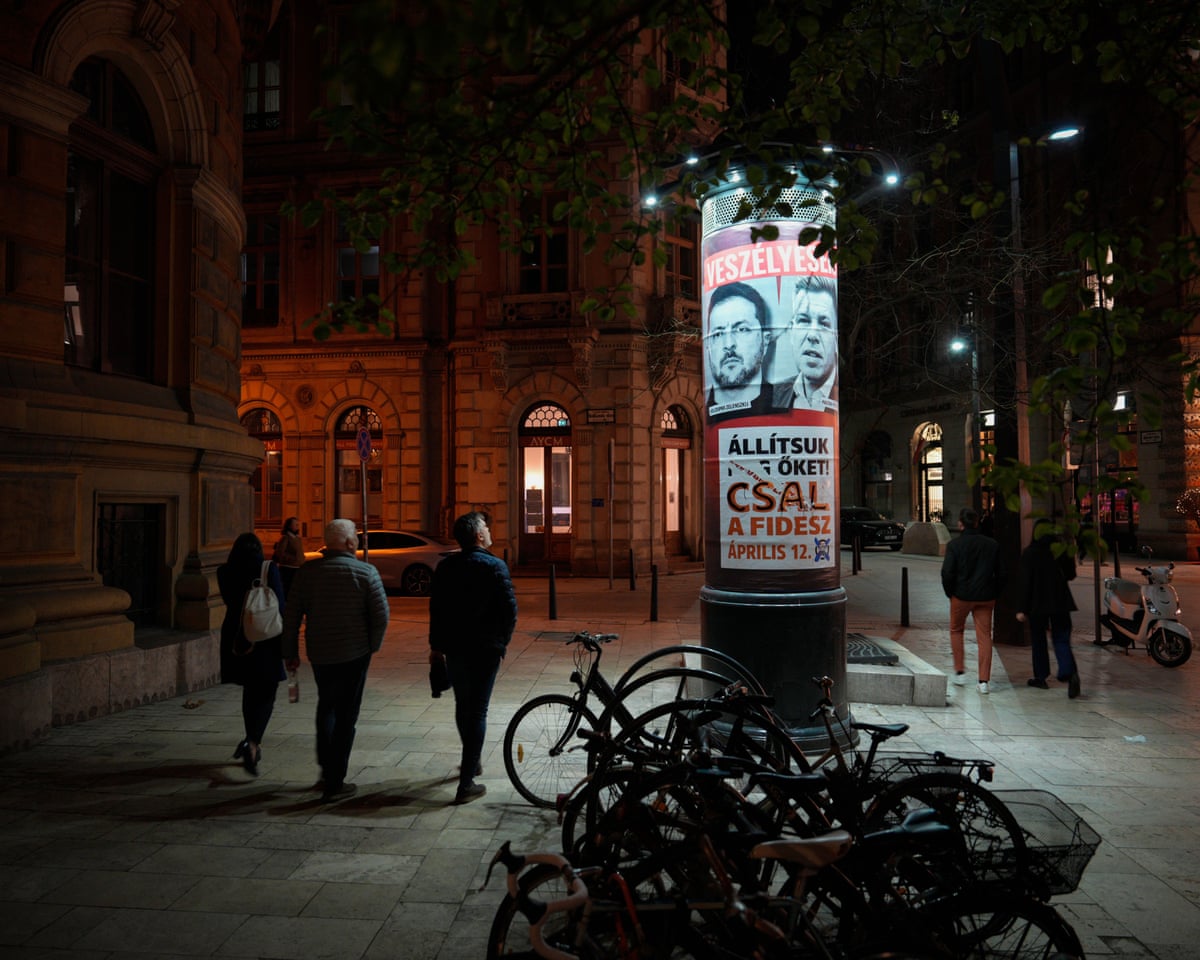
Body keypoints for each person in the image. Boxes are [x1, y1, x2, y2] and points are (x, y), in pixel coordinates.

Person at [282, 519, 390, 803]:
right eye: (355, 537)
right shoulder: (366, 572)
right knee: (346, 714)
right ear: (350, 543)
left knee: (326, 705)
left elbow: (291, 616)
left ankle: (326, 770)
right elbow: (381, 616)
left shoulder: (307, 573)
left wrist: (290, 651)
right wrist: (371, 646)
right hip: (355, 654)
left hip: (320, 652)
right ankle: (335, 780)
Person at [428, 511, 518, 804]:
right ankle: (467, 782)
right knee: (477, 711)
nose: (490, 532)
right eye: (486, 528)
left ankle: (472, 761)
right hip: (484, 649)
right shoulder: (495, 566)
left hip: (455, 647)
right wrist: (501, 641)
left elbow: (437, 610)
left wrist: (436, 647)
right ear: (479, 535)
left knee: (463, 706)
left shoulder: (446, 567)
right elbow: (509, 610)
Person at [217, 533, 286, 776]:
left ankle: (250, 739)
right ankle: (253, 743)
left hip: (238, 636)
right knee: (266, 692)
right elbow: (280, 603)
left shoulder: (223, 572)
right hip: (265, 637)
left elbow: (231, 601)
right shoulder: (268, 568)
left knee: (250, 690)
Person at [940, 506, 1006, 694]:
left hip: (960, 596)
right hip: (985, 596)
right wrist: (995, 592)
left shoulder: (954, 545)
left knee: (956, 631)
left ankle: (960, 672)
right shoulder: (992, 544)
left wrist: (950, 593)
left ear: (960, 524)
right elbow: (1002, 573)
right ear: (977, 523)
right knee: (984, 637)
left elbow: (947, 572)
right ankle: (983, 680)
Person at [704, 281, 787, 420]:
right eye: (718, 334)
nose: (729, 344)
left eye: (742, 329)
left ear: (765, 340)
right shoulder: (702, 415)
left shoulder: (790, 406)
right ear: (708, 346)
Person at [1016, 526, 1081, 698]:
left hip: (1038, 602)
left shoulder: (1030, 553)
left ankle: (1041, 676)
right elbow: (1071, 574)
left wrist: (1022, 608)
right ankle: (1069, 672)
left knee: (1038, 639)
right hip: (1060, 600)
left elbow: (1025, 582)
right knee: (1061, 638)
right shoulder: (1061, 550)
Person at [775, 274, 838, 412]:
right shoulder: (773, 395)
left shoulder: (845, 393)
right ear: (791, 331)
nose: (812, 335)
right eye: (804, 320)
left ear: (836, 336)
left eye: (824, 323)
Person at [272, 516, 306, 597]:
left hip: (297, 568)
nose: (298, 527)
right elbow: (280, 553)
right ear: (289, 526)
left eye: (298, 525)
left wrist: (302, 559)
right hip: (288, 569)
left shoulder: (297, 538)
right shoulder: (286, 538)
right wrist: (292, 559)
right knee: (288, 590)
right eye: (296, 525)